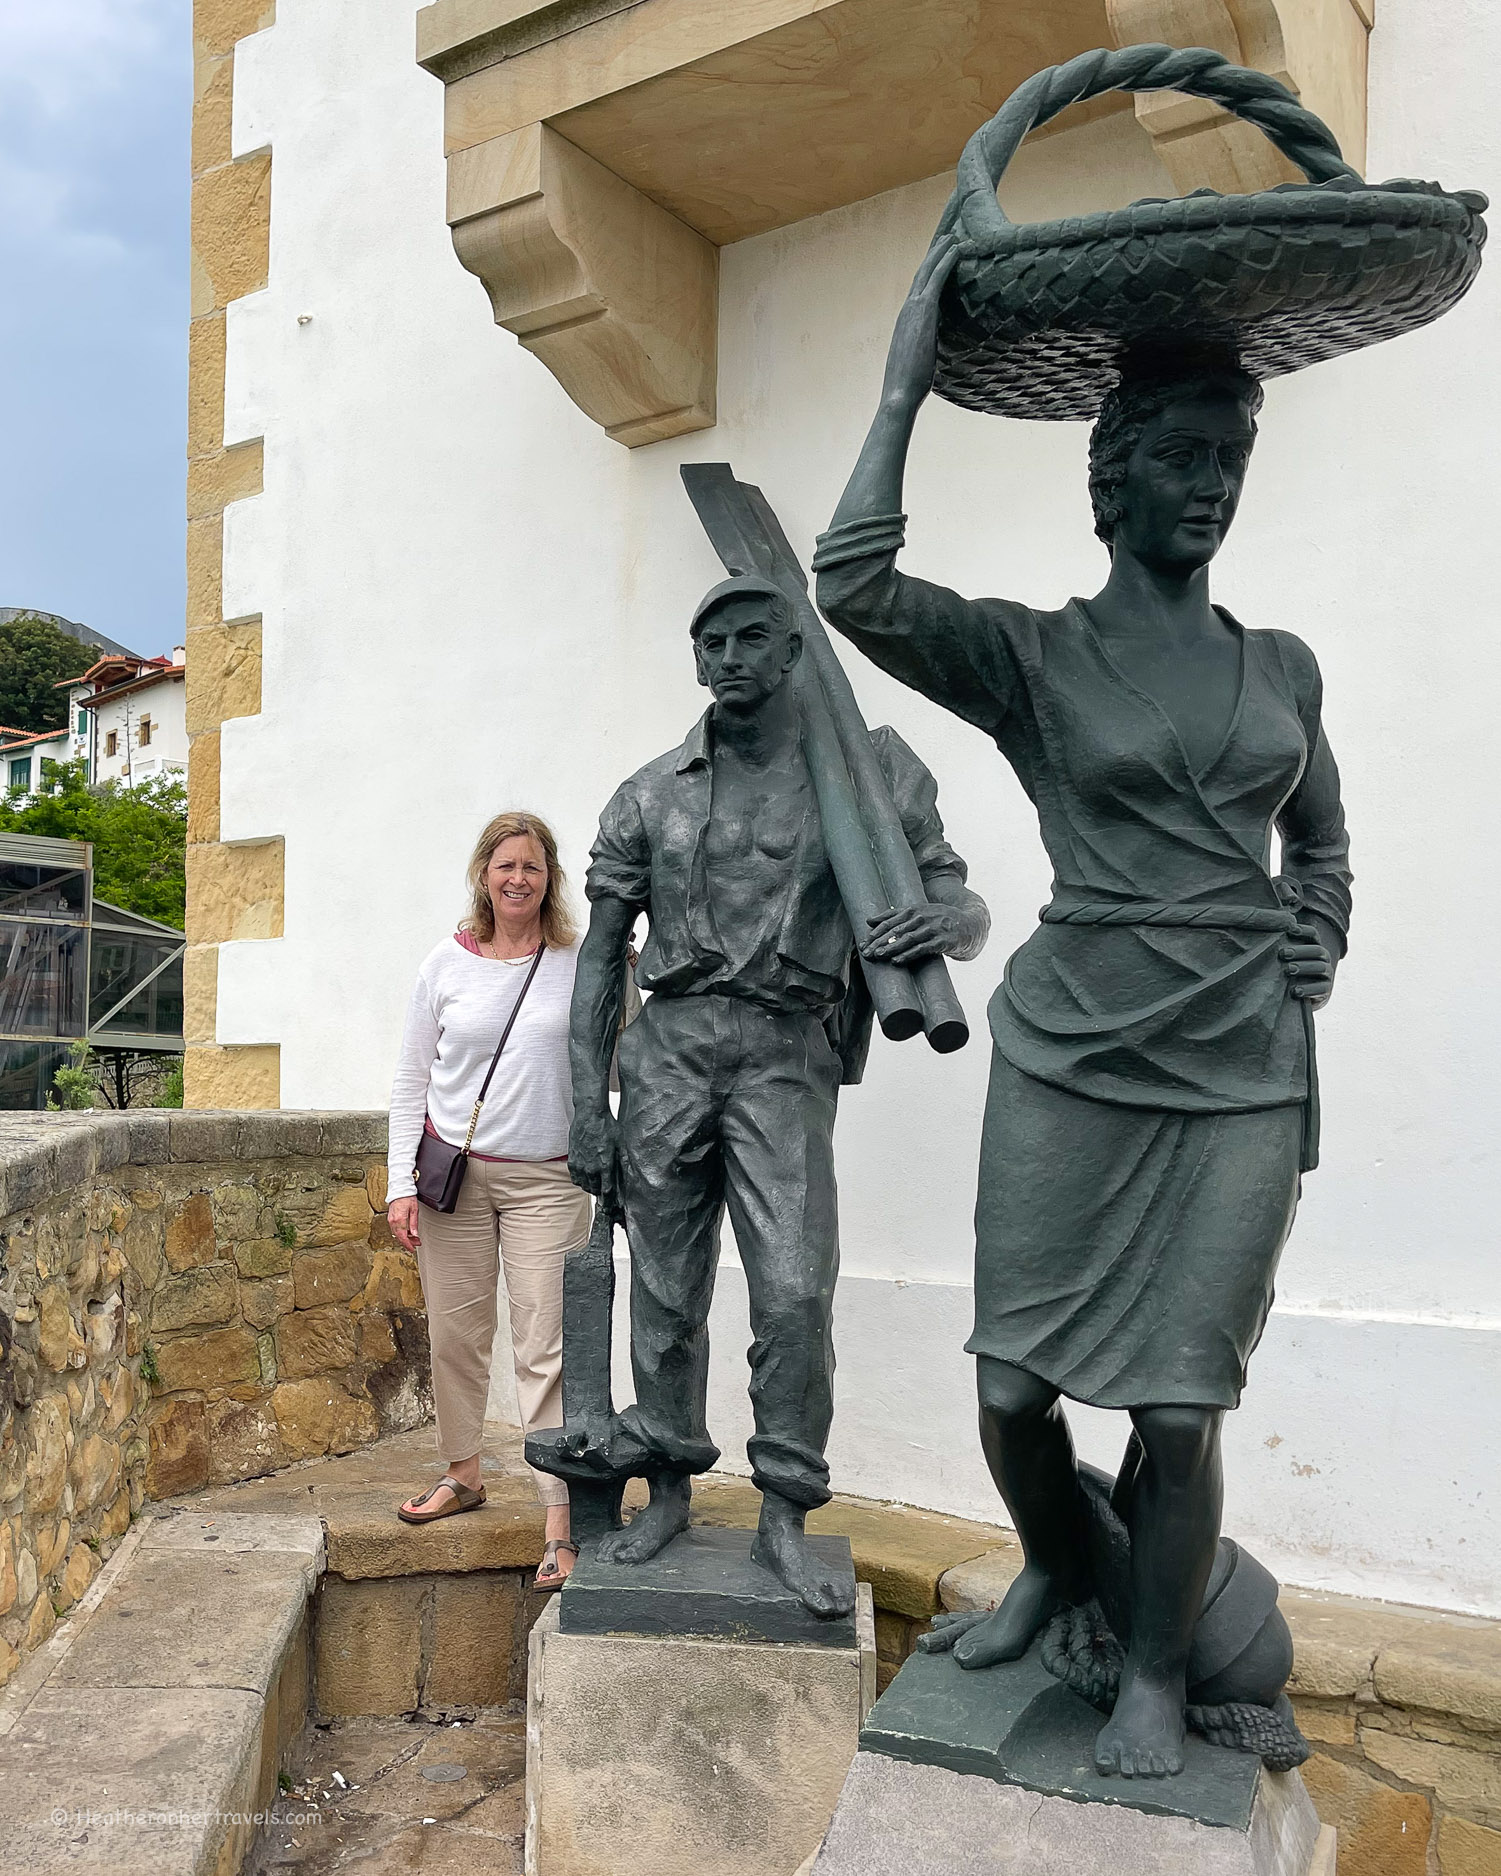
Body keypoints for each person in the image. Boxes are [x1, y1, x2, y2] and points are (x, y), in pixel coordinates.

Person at [814, 242, 1351, 1773]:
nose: (1209, 485)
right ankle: (1058, 1560)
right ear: (1107, 483)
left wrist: (1315, 930)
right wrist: (909, 369)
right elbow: (849, 582)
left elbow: (1319, 844)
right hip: (1072, 1045)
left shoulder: (1283, 668)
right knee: (1008, 1388)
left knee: (1181, 1412)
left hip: (1242, 1057)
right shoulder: (1037, 659)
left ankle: (1161, 1673)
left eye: (1227, 459)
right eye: (1179, 458)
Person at [567, 572, 989, 1616]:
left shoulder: (867, 770)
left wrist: (949, 925)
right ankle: (664, 1485)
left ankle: (784, 1510)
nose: (731, 658)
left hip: (785, 1050)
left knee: (795, 1288)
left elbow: (958, 896)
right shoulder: (651, 790)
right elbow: (598, 961)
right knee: (664, 1287)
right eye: (712, 643)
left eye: (754, 638)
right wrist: (587, 1101)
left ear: (794, 649)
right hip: (665, 1051)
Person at [387, 811, 591, 1590]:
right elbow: (411, 1080)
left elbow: (619, 1061)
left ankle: (559, 1521)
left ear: (550, 878)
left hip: (549, 1178)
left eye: (532, 867)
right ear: (483, 873)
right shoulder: (444, 963)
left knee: (546, 1349)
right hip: (456, 1180)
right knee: (457, 1337)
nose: (518, 878)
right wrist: (400, 1183)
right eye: (505, 865)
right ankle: (463, 1473)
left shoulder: (578, 961)